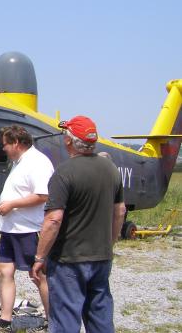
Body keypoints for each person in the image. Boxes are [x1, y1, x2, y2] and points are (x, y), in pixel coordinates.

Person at [30, 116, 126, 333]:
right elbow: (119, 211)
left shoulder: (64, 172)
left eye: (65, 134)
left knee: (65, 320)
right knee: (100, 316)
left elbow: (53, 220)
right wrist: (109, 244)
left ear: (69, 141)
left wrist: (39, 257)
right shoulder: (111, 169)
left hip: (69, 259)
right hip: (101, 257)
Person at [0, 125, 54, 332]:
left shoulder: (37, 162)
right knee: (3, 271)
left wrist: (12, 204)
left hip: (28, 228)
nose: (4, 149)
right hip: (11, 229)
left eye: (5, 144)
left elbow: (42, 195)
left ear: (16, 143)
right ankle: (5, 321)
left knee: (38, 275)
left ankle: (53, 320)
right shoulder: (19, 162)